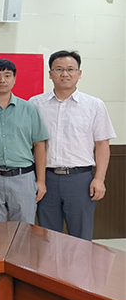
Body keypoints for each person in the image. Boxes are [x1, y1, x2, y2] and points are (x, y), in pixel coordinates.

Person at [30, 51, 116, 240]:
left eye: (70, 69)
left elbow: (102, 144)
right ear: (50, 73)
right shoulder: (35, 104)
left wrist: (99, 179)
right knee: (47, 238)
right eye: (59, 69)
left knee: (81, 238)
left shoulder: (94, 105)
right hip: (46, 179)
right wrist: (39, 180)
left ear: (79, 73)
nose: (65, 74)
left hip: (80, 180)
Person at [0, 58, 48, 224]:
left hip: (23, 177)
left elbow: (39, 144)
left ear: (14, 79)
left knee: (24, 230)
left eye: (7, 75)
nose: (2, 80)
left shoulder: (29, 109)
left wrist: (41, 181)